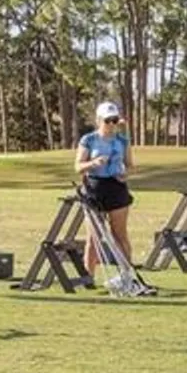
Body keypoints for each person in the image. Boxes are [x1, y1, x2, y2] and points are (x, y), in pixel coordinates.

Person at [75, 101, 136, 278]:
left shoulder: (122, 141)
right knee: (94, 237)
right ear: (99, 120)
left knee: (120, 234)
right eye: (107, 120)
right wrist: (93, 163)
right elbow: (78, 166)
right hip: (94, 187)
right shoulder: (89, 140)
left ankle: (127, 275)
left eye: (115, 120)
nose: (111, 124)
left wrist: (125, 174)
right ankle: (89, 277)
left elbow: (130, 165)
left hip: (116, 187)